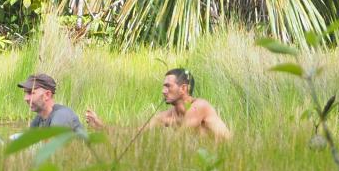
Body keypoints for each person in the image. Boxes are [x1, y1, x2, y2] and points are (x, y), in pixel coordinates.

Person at [85, 68, 231, 140]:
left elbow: (180, 139)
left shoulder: (200, 106)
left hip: (227, 161)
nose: (163, 91)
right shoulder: (166, 116)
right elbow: (135, 133)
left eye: (168, 86)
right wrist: (102, 126)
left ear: (184, 89)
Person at [18, 72, 84, 131]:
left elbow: (55, 143)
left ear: (47, 95)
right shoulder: (39, 119)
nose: (25, 98)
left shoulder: (62, 116)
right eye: (25, 93)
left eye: (30, 93)